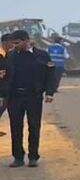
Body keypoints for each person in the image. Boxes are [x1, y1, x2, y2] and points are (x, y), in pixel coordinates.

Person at [0, 29, 58, 166]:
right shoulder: (10, 56)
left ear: (26, 40)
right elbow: (5, 77)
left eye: (17, 42)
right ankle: (18, 157)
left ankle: (33, 156)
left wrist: (50, 92)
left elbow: (51, 75)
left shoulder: (42, 56)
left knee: (34, 126)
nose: (15, 45)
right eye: (13, 43)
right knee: (16, 127)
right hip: (14, 97)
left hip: (34, 96)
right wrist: (2, 95)